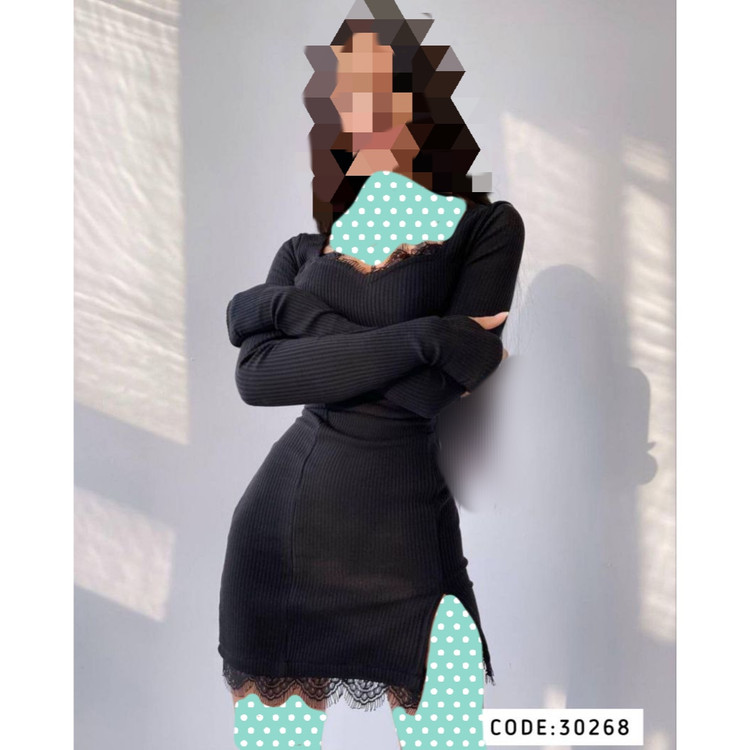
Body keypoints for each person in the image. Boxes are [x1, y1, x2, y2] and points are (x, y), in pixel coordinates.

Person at [218, 5, 526, 744]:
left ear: (422, 98)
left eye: (382, 90)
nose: (363, 114)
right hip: (280, 535)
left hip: (406, 539)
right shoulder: (304, 252)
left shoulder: (486, 228)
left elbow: (426, 397)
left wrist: (300, 322)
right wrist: (428, 337)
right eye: (346, 97)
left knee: (449, 729)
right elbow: (257, 378)